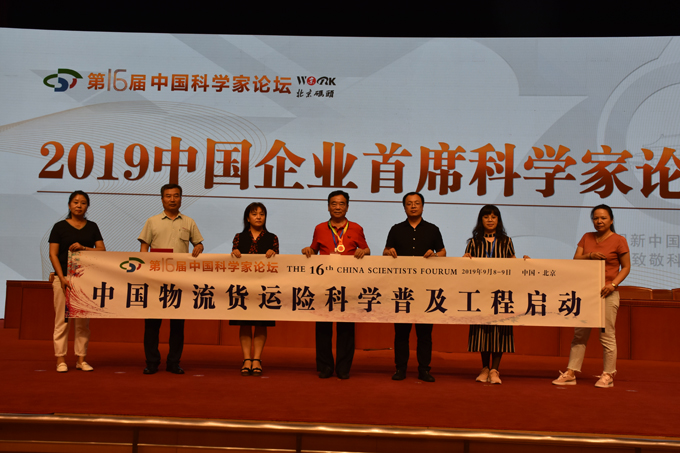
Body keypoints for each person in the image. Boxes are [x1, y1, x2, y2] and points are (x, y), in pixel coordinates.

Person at [552, 204, 630, 388]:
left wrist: (613, 284)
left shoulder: (619, 240)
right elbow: (576, 260)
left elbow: (626, 267)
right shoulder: (587, 237)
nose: (599, 221)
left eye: (603, 218)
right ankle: (571, 372)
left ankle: (608, 374)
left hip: (607, 294)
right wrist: (590, 255)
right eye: (596, 218)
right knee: (579, 335)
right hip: (586, 294)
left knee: (607, 336)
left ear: (611, 220)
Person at [302, 190, 370, 379]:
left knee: (346, 328)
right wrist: (308, 250)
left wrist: (363, 251)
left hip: (349, 285)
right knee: (323, 327)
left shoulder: (356, 228)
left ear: (347, 207)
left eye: (341, 204)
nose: (337, 207)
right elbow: (314, 249)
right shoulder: (320, 228)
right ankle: (325, 366)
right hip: (324, 285)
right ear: (328, 206)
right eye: (334, 203)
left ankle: (343, 368)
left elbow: (366, 249)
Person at [138, 184, 204, 375]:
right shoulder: (152, 221)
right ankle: (152, 362)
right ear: (162, 199)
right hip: (156, 280)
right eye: (168, 196)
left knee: (177, 324)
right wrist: (145, 268)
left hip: (179, 280)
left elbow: (199, 244)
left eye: (176, 196)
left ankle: (174, 362)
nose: (172, 199)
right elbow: (144, 248)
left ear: (181, 199)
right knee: (152, 324)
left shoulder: (189, 222)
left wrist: (199, 247)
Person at [383, 192, 445, 382]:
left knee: (424, 333)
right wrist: (389, 252)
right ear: (404, 207)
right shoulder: (396, 229)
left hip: (425, 289)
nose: (413, 206)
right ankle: (400, 369)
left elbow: (443, 252)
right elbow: (386, 251)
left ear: (422, 206)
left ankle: (424, 370)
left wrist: (435, 255)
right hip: (402, 289)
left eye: (417, 203)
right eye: (409, 203)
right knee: (401, 333)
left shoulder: (433, 229)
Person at [464, 205, 527, 385]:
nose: (490, 220)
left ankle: (495, 369)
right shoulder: (474, 242)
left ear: (498, 220)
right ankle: (484, 368)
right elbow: (466, 267)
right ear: (481, 220)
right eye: (486, 217)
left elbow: (513, 264)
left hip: (502, 293)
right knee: (482, 330)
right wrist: (465, 260)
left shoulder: (506, 241)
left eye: (493, 217)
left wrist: (525, 263)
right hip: (481, 293)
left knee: (500, 330)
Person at [48, 190, 106, 373]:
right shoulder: (59, 227)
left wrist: (83, 248)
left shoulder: (92, 226)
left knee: (82, 323)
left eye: (83, 203)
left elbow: (102, 250)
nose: (79, 206)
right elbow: (53, 254)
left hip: (84, 280)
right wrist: (61, 277)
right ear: (69, 205)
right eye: (75, 202)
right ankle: (60, 359)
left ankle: (81, 359)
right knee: (62, 321)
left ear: (87, 206)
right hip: (63, 279)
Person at [230, 202, 279, 376]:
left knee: (261, 323)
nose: (258, 217)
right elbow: (233, 262)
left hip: (264, 286)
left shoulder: (272, 238)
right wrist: (234, 254)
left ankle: (257, 359)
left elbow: (277, 264)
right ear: (248, 218)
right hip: (243, 286)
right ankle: (246, 359)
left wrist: (273, 255)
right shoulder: (239, 237)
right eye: (254, 214)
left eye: (262, 214)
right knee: (244, 323)